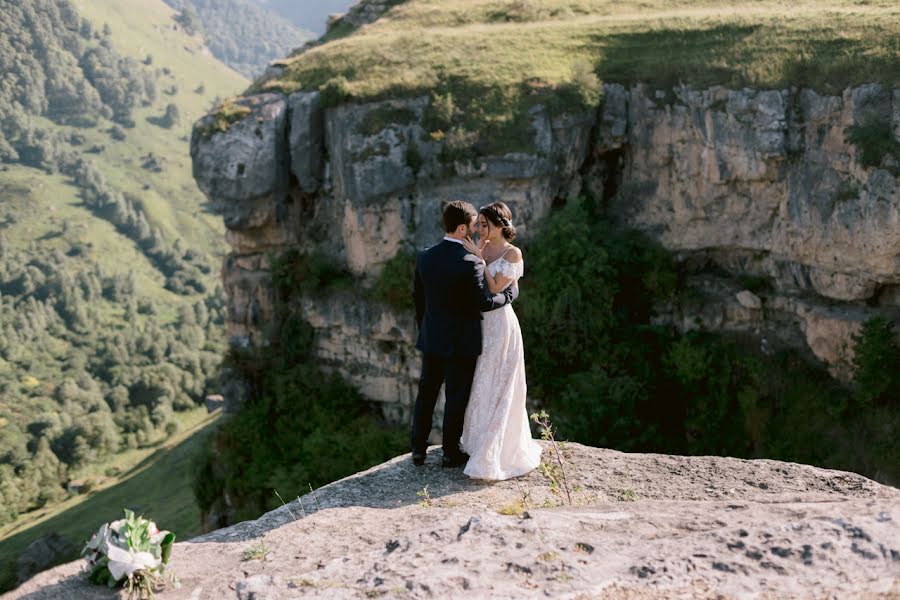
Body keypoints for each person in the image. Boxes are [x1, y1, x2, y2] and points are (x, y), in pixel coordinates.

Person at [411, 200, 516, 468]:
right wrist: (508, 296)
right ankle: (449, 452)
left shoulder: (425, 256)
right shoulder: (471, 262)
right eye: (472, 226)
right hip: (462, 342)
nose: (476, 230)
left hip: (433, 338)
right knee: (456, 397)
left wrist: (427, 330)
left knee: (427, 394)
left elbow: (419, 301)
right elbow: (482, 302)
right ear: (460, 228)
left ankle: (418, 450)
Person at [459, 202, 542, 480]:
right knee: (482, 378)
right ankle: (477, 441)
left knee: (502, 380)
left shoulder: (511, 252)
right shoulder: (480, 247)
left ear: (500, 225)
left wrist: (479, 260)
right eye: (479, 224)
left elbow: (495, 287)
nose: (480, 229)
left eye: (484, 224)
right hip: (480, 322)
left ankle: (499, 449)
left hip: (502, 323)